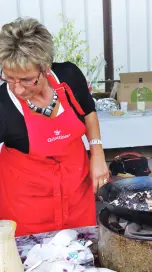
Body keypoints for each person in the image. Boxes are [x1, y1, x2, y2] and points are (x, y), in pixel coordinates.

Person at [0, 17, 109, 237]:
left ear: (45, 67)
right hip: (27, 202)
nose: (18, 89)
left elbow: (88, 112)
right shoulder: (3, 105)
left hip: (77, 189)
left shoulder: (69, 76)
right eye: (9, 78)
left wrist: (97, 153)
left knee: (80, 252)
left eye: (27, 79)